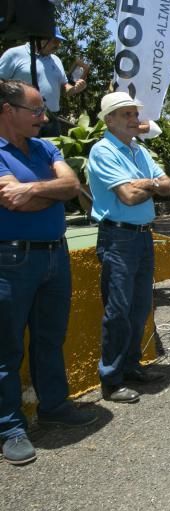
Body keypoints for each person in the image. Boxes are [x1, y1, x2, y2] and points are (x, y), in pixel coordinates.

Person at [0, 79, 96, 466]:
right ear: (8, 110)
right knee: (6, 348)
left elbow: (72, 185)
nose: (44, 117)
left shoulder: (44, 145)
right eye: (36, 110)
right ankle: (9, 427)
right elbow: (11, 201)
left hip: (55, 256)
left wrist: (32, 190)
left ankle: (54, 405)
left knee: (49, 337)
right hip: (11, 260)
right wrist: (46, 191)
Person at [87, 92, 170, 405]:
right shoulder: (104, 150)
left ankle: (131, 365)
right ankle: (110, 379)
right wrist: (150, 183)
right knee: (118, 310)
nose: (133, 119)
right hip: (118, 237)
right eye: (125, 114)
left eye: (134, 113)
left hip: (140, 235)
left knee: (139, 307)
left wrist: (145, 183)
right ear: (109, 120)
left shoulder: (139, 149)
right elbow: (127, 196)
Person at [0, 28, 88, 137]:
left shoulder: (56, 60)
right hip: (24, 117)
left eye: (60, 42)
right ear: (41, 38)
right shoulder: (15, 54)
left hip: (51, 118)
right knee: (20, 151)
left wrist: (75, 89)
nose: (58, 45)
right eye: (55, 41)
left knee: (49, 152)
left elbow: (64, 88)